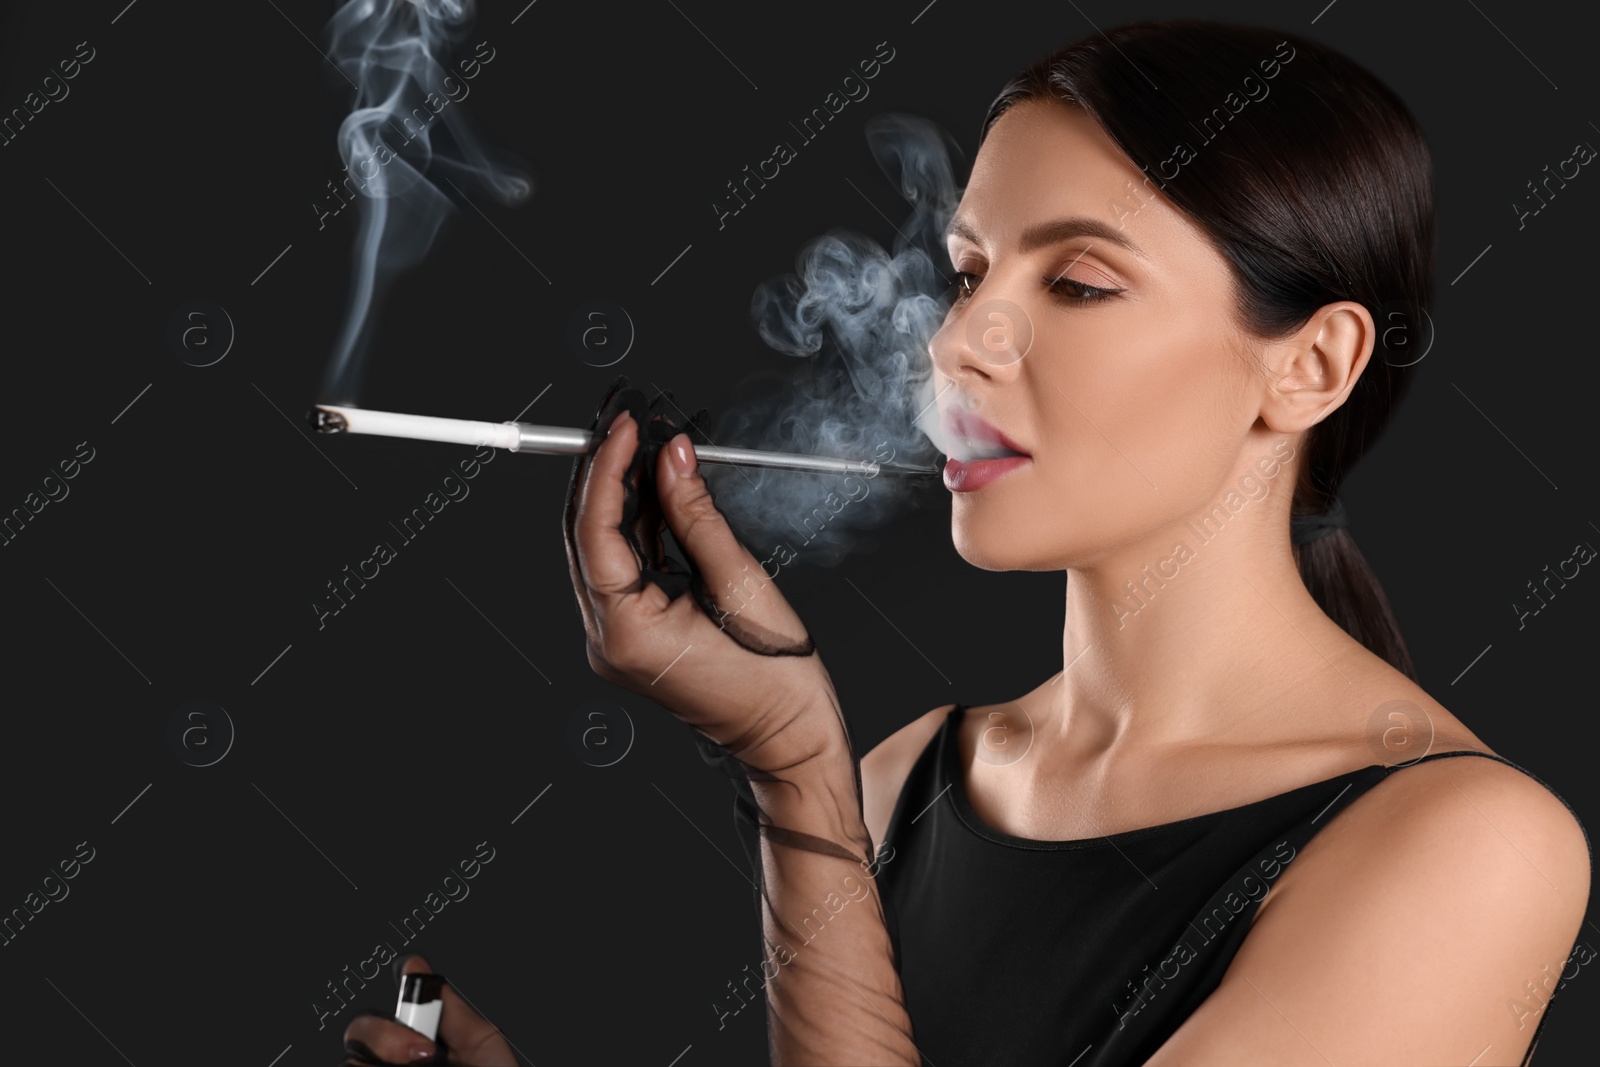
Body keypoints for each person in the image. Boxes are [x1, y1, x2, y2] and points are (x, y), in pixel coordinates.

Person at [565, 20, 1591, 1067]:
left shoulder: (1470, 845)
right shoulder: (900, 781)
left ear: (1311, 365)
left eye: (1080, 283)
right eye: (969, 274)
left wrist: (792, 776)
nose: (958, 341)